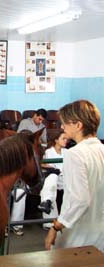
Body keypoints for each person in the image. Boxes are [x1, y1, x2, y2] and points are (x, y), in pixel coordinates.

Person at [45, 100, 104, 251]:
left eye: (65, 123)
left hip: (79, 234)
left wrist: (56, 226)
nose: (62, 127)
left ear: (78, 125)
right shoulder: (101, 150)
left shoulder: (75, 154)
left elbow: (80, 200)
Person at [38, 130, 68, 230]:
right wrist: (52, 168)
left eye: (66, 139)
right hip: (53, 179)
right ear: (56, 140)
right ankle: (49, 222)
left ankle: (46, 203)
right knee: (52, 179)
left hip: (65, 180)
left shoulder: (67, 152)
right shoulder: (48, 152)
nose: (66, 141)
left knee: (49, 191)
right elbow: (42, 164)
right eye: (63, 139)